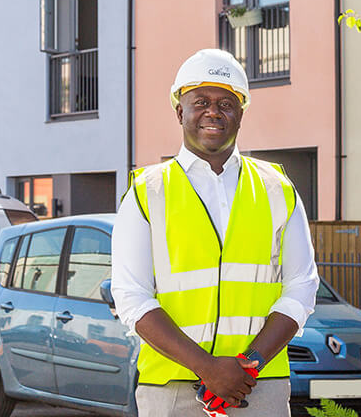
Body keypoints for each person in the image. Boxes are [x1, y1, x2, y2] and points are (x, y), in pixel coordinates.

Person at [111, 49, 319, 417]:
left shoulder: (278, 189)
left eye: (226, 103)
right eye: (201, 102)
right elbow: (131, 296)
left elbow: (302, 286)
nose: (213, 112)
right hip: (172, 390)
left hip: (259, 385)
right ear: (180, 111)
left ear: (241, 113)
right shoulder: (146, 193)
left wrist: (247, 365)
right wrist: (208, 368)